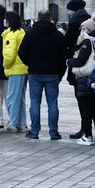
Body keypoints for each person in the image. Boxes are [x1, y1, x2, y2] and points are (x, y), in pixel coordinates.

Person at [20, 9, 66, 140]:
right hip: (53, 73)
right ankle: (54, 132)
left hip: (35, 72)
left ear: (38, 18)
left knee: (35, 102)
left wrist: (30, 64)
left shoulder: (31, 33)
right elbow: (64, 57)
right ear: (51, 18)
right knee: (52, 103)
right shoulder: (58, 35)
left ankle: (34, 131)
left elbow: (21, 52)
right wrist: (60, 72)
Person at [67, 15, 95, 145]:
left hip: (85, 79)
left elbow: (79, 60)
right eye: (81, 29)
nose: (82, 31)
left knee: (85, 109)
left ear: (89, 30)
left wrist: (69, 61)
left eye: (84, 29)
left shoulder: (87, 42)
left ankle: (88, 135)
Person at [1, 10, 30, 133]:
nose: (4, 21)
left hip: (15, 69)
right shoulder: (21, 32)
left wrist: (5, 65)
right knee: (20, 98)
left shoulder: (12, 35)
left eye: (5, 19)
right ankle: (22, 124)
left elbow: (10, 54)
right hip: (23, 68)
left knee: (12, 97)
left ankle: (13, 123)